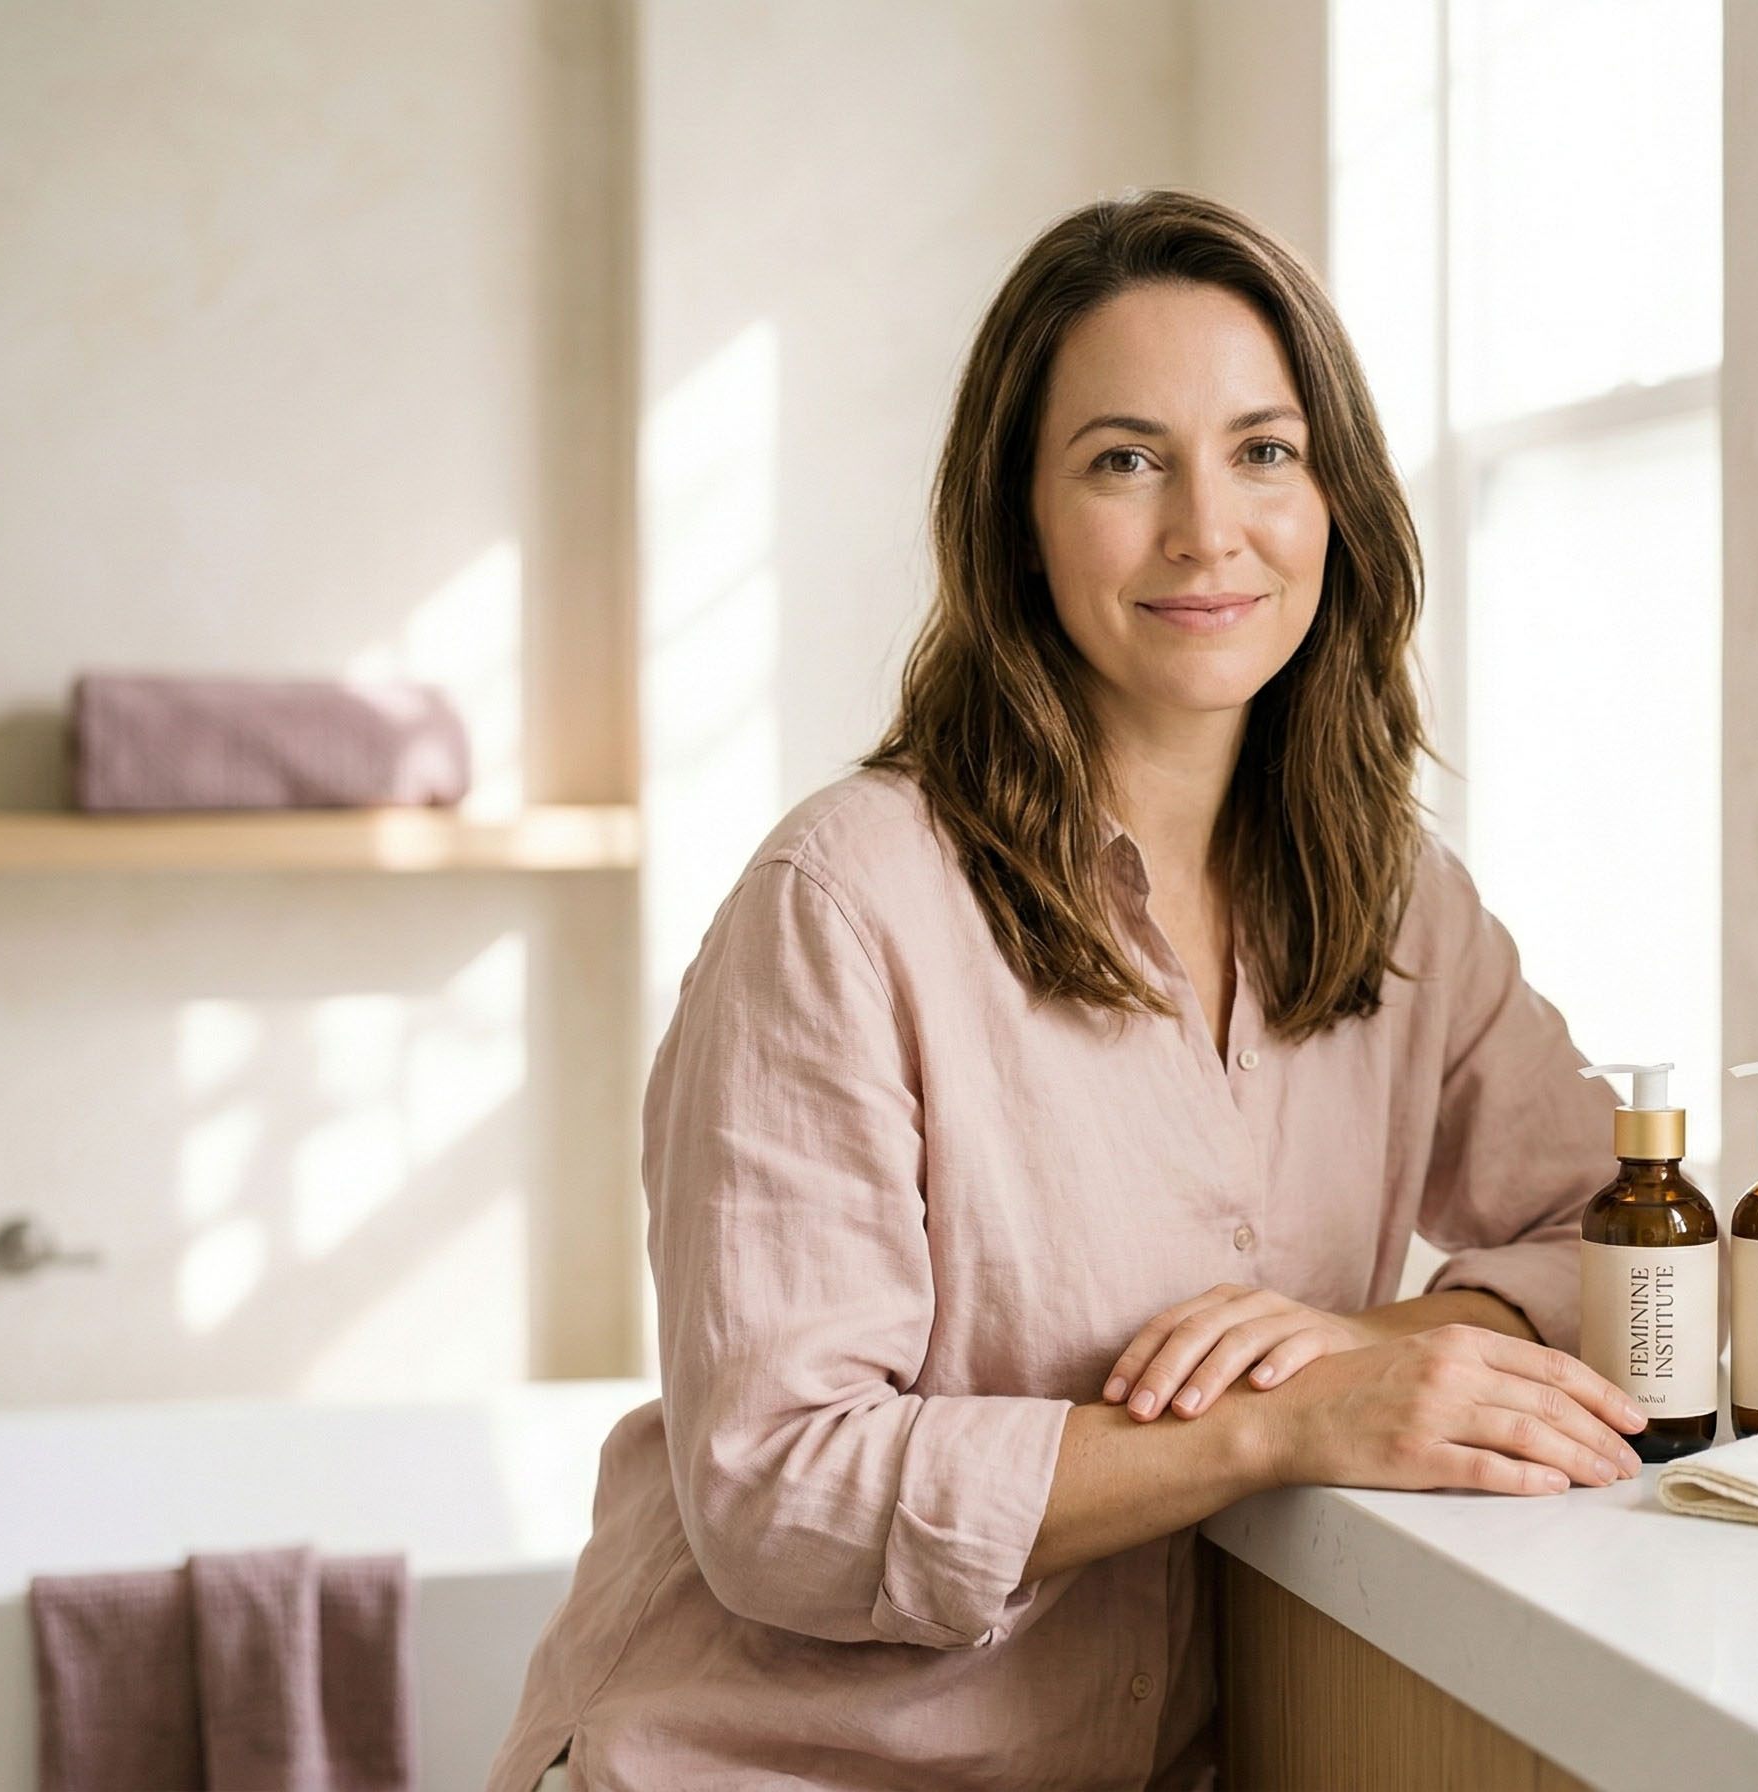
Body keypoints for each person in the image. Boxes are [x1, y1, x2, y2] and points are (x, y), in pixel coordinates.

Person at [489, 189, 1643, 1792]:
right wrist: (1270, 1426)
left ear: (1339, 502)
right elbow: (779, 1494)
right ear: (1016, 517)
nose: (1205, 530)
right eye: (1123, 460)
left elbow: (1643, 1246)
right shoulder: (841, 903)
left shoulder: (1401, 906)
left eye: (1264, 451)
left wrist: (1358, 1341)